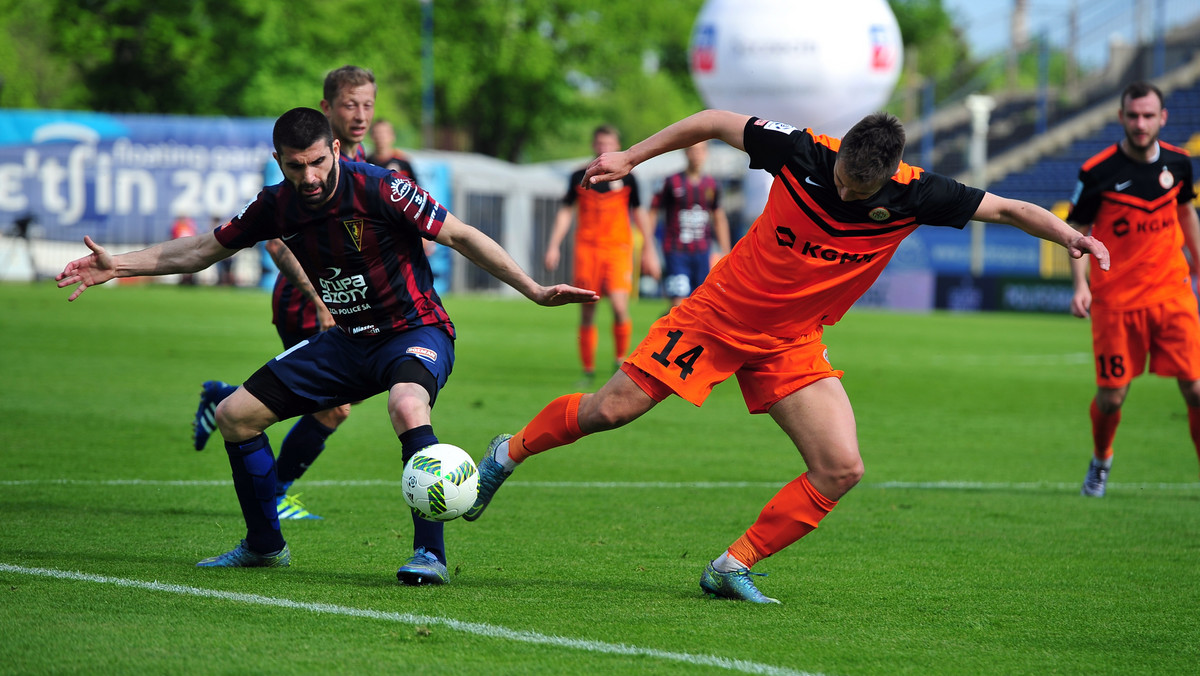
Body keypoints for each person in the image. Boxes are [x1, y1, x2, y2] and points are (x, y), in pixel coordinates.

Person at [462, 109, 1110, 603]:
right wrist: (630, 156)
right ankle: (506, 453)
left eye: (864, 191)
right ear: (843, 154)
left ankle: (730, 566)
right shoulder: (800, 150)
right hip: (716, 318)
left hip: (790, 342)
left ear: (889, 176)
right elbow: (715, 122)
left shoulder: (917, 193)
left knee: (842, 467)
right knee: (609, 411)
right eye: (845, 181)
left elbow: (1011, 207)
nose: (850, 195)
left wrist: (1073, 236)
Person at [57, 107, 597, 583]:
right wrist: (119, 265)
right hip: (347, 342)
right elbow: (200, 250)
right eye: (295, 166)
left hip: (415, 331)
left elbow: (460, 234)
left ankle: (428, 556)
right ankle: (264, 546)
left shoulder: (381, 187)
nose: (309, 176)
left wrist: (532, 289)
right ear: (279, 160)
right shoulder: (274, 206)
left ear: (335, 149)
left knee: (407, 404)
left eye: (317, 161)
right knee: (234, 416)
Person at [192, 65, 381, 524]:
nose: (359, 115)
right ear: (326, 109)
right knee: (334, 408)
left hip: (350, 304)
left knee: (329, 404)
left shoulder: (366, 164)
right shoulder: (301, 161)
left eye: (367, 105)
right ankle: (273, 493)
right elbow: (275, 239)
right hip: (306, 301)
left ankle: (226, 399)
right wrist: (320, 299)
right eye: (349, 105)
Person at [1067, 81, 1200, 498]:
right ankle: (1101, 461)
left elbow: (1186, 212)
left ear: (1162, 118)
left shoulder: (1180, 164)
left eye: (1148, 116)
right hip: (1117, 301)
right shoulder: (1097, 172)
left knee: (1196, 387)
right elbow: (1078, 232)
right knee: (1112, 397)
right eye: (1133, 115)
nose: (1140, 124)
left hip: (1173, 292)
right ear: (1121, 117)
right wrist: (1080, 286)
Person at [545, 125, 661, 382]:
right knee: (587, 308)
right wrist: (554, 244)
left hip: (618, 249)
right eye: (600, 144)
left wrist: (650, 250)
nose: (604, 149)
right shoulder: (579, 176)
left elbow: (639, 214)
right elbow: (566, 211)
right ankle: (587, 369)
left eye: (609, 144)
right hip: (587, 249)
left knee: (620, 307)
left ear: (617, 145)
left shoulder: (628, 178)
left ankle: (620, 360)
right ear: (593, 145)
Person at [651, 140, 731, 308]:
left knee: (701, 305)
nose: (697, 154)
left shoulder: (712, 185)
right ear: (686, 153)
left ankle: (672, 328)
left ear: (706, 154)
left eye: (701, 150)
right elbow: (652, 212)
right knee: (678, 304)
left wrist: (726, 252)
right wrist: (649, 249)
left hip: (702, 252)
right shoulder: (671, 182)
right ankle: (665, 330)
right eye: (693, 150)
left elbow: (719, 218)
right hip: (676, 252)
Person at [170, 213, 198, 285]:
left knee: (191, 264)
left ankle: (191, 280)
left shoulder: (189, 225)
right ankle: (184, 280)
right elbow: (173, 236)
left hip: (190, 248)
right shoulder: (177, 226)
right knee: (182, 264)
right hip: (181, 249)